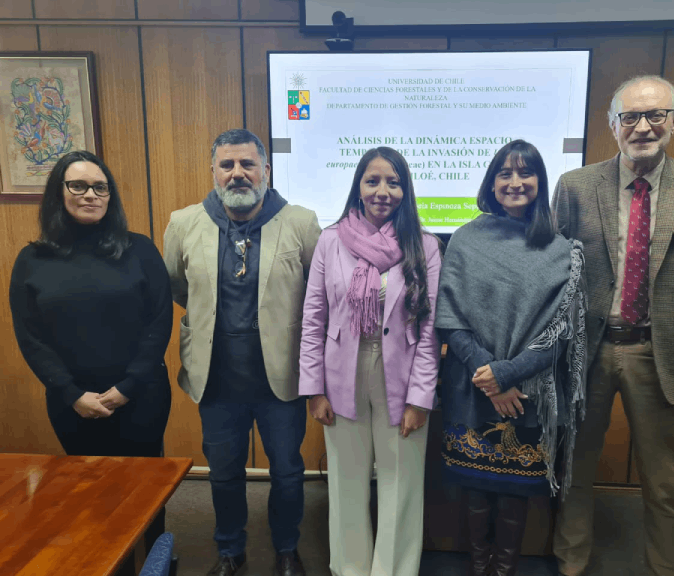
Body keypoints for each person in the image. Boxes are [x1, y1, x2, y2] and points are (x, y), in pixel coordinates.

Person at [552, 76, 674, 576]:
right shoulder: (575, 186)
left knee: (664, 482)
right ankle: (570, 564)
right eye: (630, 116)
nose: (643, 126)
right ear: (613, 125)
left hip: (659, 350)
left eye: (655, 115)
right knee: (573, 470)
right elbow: (556, 266)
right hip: (586, 350)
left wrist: (669, 323)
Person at [163, 129, 321, 576]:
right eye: (227, 165)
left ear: (265, 170)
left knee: (288, 472)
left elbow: (317, 293)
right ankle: (230, 551)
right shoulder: (183, 222)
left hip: (280, 375)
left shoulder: (301, 222)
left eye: (247, 164)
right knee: (223, 473)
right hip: (217, 377)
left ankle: (288, 549)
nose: (237, 174)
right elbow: (177, 286)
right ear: (213, 171)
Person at [9, 149, 173, 558]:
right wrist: (70, 393)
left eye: (100, 187)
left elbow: (159, 323)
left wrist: (128, 387)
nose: (90, 195)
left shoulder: (139, 249)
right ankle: (104, 560)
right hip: (72, 402)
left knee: (146, 489)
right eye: (78, 185)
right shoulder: (32, 259)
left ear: (110, 195)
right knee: (94, 492)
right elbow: (31, 337)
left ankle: (157, 561)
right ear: (58, 193)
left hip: (141, 396)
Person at [436, 140, 587, 576]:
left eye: (526, 173)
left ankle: (503, 571)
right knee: (477, 492)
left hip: (528, 390)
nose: (515, 182)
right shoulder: (466, 238)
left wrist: (507, 375)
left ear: (540, 183)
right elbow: (449, 318)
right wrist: (488, 375)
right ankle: (479, 567)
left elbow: (563, 333)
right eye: (505, 173)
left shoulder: (561, 250)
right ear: (492, 182)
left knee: (514, 495)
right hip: (472, 382)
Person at [299, 147, 442, 576]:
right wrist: (313, 389)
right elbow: (313, 318)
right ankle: (350, 569)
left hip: (402, 372)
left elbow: (431, 329)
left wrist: (421, 398)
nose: (383, 191)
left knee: (401, 481)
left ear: (406, 189)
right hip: (342, 371)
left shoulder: (426, 244)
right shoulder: (331, 240)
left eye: (393, 182)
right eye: (373, 181)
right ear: (358, 188)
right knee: (346, 480)